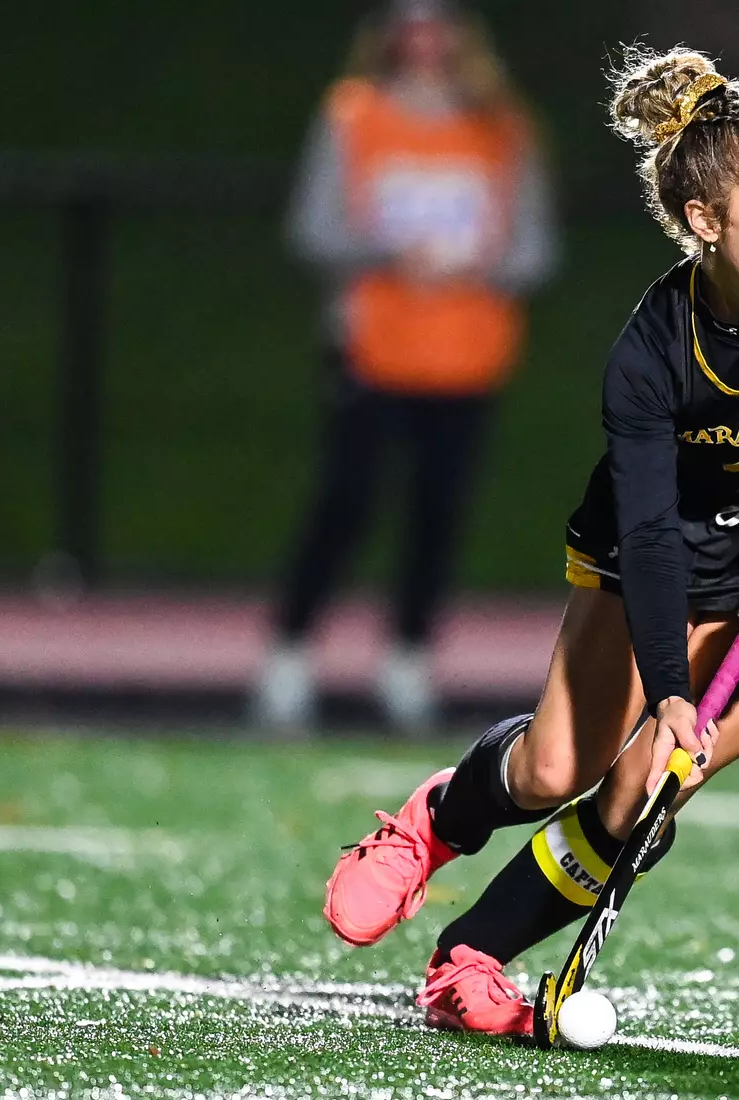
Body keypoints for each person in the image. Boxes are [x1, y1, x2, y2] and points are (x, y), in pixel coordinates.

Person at [319, 47, 739, 1036]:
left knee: (642, 788)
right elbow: (647, 533)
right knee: (556, 769)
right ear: (704, 220)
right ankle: (435, 820)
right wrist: (675, 681)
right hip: (664, 551)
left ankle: (466, 956)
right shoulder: (650, 350)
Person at [253, 0, 557, 734]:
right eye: (410, 25)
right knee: (347, 501)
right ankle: (290, 654)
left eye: (438, 24)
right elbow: (316, 227)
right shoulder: (354, 115)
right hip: (373, 348)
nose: (424, 41)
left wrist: (475, 263)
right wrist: (393, 255)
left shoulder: (500, 128)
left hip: (466, 356)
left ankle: (408, 660)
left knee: (438, 513)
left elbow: (533, 249)